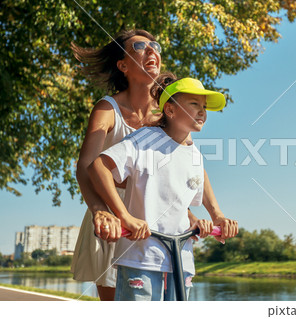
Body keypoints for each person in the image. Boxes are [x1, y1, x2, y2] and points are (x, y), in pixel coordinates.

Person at [70, 29, 238, 301]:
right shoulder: (107, 108)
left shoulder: (170, 111)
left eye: (155, 46)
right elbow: (87, 165)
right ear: (122, 65)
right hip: (114, 214)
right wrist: (102, 211)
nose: (152, 51)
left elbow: (189, 166)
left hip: (158, 218)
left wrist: (201, 215)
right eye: (140, 46)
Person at [88, 73, 227, 301]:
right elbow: (98, 167)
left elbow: (184, 201)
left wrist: (211, 218)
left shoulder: (194, 154)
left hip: (181, 260)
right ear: (170, 111)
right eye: (194, 104)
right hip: (141, 255)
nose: (202, 111)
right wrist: (124, 216)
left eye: (204, 107)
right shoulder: (146, 139)